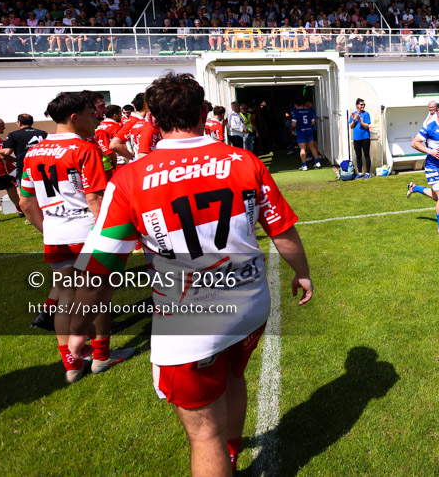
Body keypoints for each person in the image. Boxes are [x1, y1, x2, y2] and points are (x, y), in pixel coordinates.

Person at [71, 72, 313, 475]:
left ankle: (224, 456)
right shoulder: (243, 160)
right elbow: (281, 228)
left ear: (152, 120)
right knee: (233, 376)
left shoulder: (131, 178)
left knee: (204, 435)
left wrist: (77, 323)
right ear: (203, 112)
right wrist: (302, 272)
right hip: (250, 303)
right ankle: (230, 455)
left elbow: (102, 262)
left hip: (190, 321)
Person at [18, 91, 131, 383]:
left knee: (66, 297)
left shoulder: (34, 152)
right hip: (87, 231)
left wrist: (50, 230)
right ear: (74, 117)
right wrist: (110, 236)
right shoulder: (85, 149)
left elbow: (26, 202)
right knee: (96, 296)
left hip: (55, 233)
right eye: (90, 114)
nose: (95, 119)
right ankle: (101, 357)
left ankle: (71, 365)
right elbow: (94, 199)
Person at [406, 99, 439, 238]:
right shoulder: (430, 127)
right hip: (432, 166)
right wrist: (431, 151)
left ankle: (414, 188)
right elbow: (415, 143)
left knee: (437, 196)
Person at [0, 113, 48, 188]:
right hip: (41, 166)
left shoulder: (13, 134)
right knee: (42, 189)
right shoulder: (43, 133)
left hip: (23, 166)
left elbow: (7, 152)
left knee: (23, 190)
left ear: (19, 123)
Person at [292, 100, 321, 171]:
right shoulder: (309, 111)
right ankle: (317, 162)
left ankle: (304, 165)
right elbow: (313, 122)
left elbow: (293, 124)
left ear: (296, 105)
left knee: (302, 148)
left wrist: (293, 128)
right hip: (309, 130)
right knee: (312, 146)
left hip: (301, 131)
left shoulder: (295, 112)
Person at [350, 98, 372, 179]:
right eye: (361, 104)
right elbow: (351, 126)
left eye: (364, 105)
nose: (363, 106)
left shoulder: (366, 114)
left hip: (365, 137)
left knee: (366, 155)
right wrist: (353, 120)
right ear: (357, 105)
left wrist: (360, 120)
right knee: (358, 155)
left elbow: (366, 126)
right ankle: (359, 172)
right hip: (356, 138)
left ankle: (367, 173)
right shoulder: (353, 114)